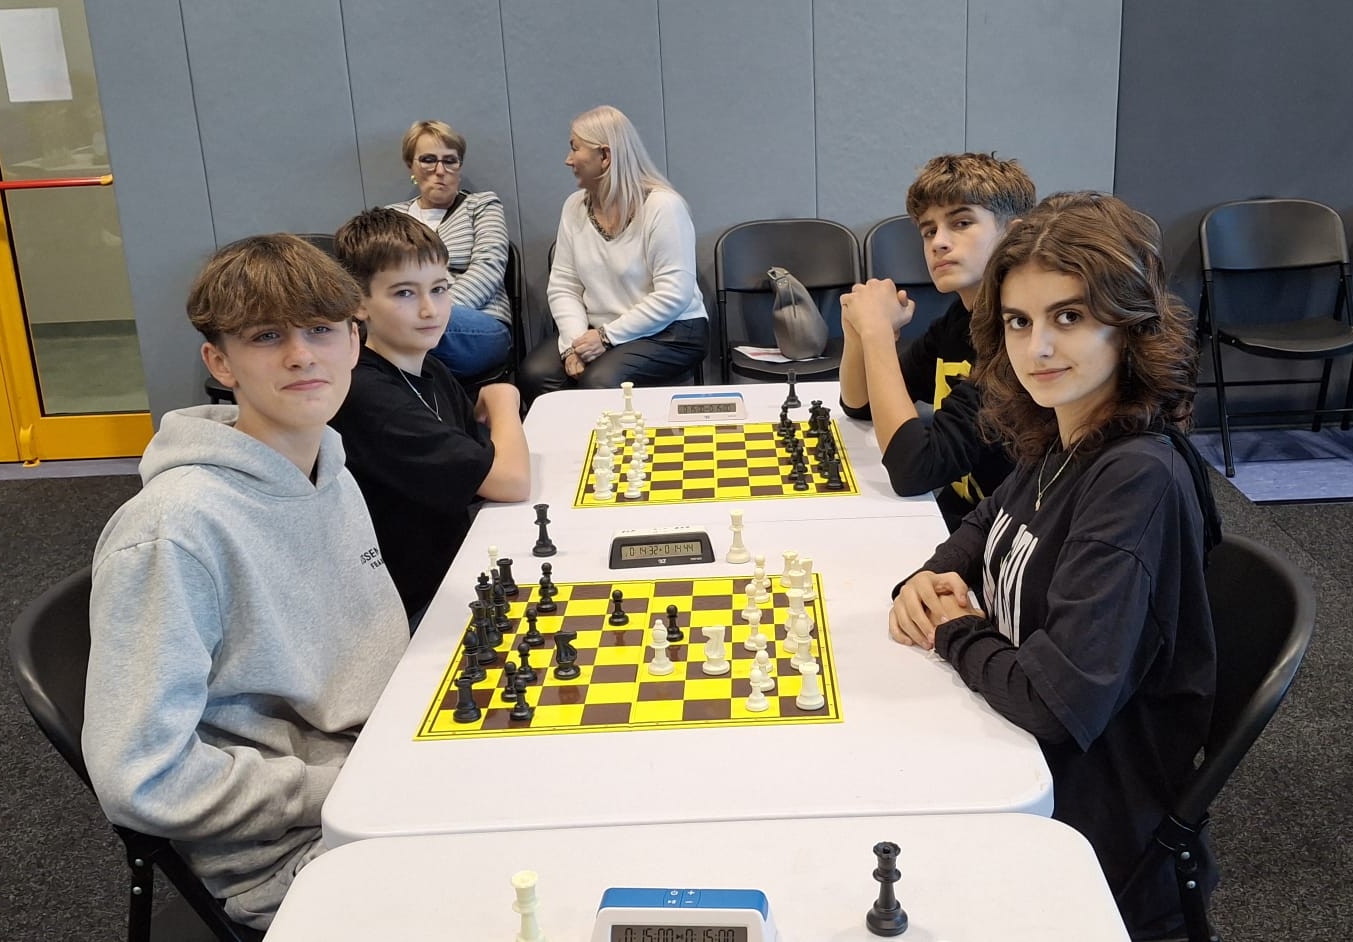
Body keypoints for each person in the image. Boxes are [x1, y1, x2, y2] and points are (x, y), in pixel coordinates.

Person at [888, 192, 1223, 939]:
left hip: (1084, 822)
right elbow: (984, 525)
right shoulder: (1063, 431)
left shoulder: (1134, 476)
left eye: (1067, 317)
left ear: (1129, 324)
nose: (1036, 348)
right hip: (1015, 751)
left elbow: (1053, 701)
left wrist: (953, 630)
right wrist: (930, 577)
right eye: (1018, 321)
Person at [83, 235, 410, 931]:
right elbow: (142, 775)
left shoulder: (328, 468)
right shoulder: (174, 531)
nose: (301, 356)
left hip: (385, 773)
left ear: (355, 342)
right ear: (220, 362)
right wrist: (344, 787)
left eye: (320, 330)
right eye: (266, 336)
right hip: (297, 853)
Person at [331, 207, 530, 621]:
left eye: (439, 289)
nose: (430, 310)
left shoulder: (431, 368)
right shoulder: (368, 396)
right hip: (412, 608)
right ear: (359, 303)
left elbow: (483, 460)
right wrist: (503, 398)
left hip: (455, 568)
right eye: (404, 293)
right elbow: (511, 481)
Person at [839, 153, 1035, 530]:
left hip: (1003, 535)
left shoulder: (1021, 339)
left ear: (1013, 235)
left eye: (961, 223)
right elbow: (861, 406)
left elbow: (914, 470)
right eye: (928, 231)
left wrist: (877, 333)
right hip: (957, 516)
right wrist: (857, 330)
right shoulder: (959, 318)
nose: (939, 243)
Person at [518, 105, 709, 405]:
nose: (568, 160)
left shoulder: (663, 207)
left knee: (598, 382)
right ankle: (572, 438)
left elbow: (674, 295)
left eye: (575, 148)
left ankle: (609, 439)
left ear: (605, 156)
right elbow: (564, 285)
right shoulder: (574, 207)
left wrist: (606, 337)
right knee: (535, 374)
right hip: (598, 330)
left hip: (672, 332)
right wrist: (573, 346)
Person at [388, 119, 513, 380]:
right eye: (428, 160)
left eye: (450, 160)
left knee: (394, 329)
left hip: (478, 319)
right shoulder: (392, 217)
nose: (440, 170)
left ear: (459, 165)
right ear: (411, 165)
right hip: (409, 318)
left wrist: (433, 311)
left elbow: (489, 268)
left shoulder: (481, 205)